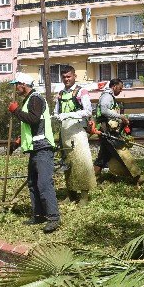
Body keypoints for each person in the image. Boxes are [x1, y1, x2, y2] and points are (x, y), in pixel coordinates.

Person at [8, 72, 60, 233]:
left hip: (43, 148)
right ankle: (38, 215)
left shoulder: (36, 98)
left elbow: (34, 119)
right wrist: (19, 140)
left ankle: (53, 218)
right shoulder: (29, 100)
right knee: (33, 183)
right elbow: (30, 127)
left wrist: (16, 111)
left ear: (23, 84)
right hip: (34, 148)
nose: (15, 88)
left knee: (44, 183)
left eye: (17, 84)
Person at [53, 65, 96, 204]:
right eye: (64, 77)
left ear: (74, 76)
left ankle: (84, 196)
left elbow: (88, 111)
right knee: (68, 163)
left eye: (69, 76)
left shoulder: (81, 91)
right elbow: (56, 112)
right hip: (65, 132)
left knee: (82, 163)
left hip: (78, 131)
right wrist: (57, 116)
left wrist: (68, 115)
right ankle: (70, 194)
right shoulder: (60, 93)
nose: (66, 79)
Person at [93, 78, 144, 184]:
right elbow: (104, 111)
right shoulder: (107, 96)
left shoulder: (109, 96)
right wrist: (121, 117)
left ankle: (93, 179)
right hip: (106, 131)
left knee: (103, 156)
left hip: (106, 131)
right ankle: (137, 177)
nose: (120, 91)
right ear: (114, 86)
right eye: (120, 88)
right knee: (122, 153)